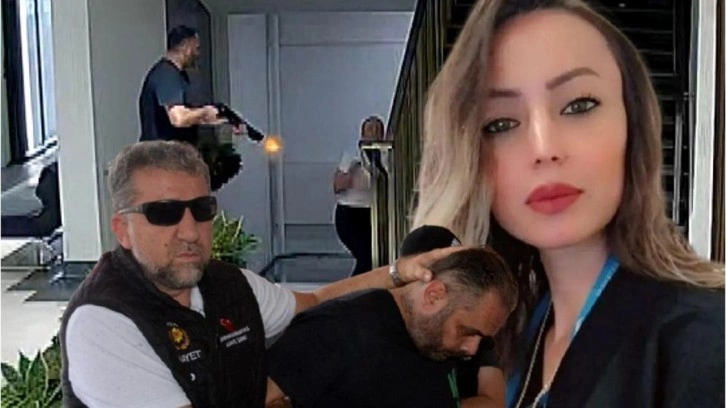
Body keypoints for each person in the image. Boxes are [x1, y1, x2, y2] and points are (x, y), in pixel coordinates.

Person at [412, 0, 725, 407]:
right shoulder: (507, 331)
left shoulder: (703, 337)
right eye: (501, 123)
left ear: (633, 126)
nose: (544, 148)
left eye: (579, 105)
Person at [59, 140, 456, 408]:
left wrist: (400, 271)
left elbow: (317, 302)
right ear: (122, 229)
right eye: (164, 213)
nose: (190, 231)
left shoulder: (227, 284)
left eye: (202, 210)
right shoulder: (103, 321)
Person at [265, 247, 517, 408]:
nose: (471, 349)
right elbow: (260, 397)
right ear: (434, 295)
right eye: (467, 331)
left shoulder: (434, 341)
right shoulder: (336, 330)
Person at [138, 25, 219, 143]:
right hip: (161, 152)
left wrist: (225, 118)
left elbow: (190, 116)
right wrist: (205, 112)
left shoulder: (178, 75)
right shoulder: (166, 74)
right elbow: (178, 118)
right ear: (185, 47)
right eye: (196, 48)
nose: (198, 54)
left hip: (172, 151)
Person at [332, 116, 385, 276]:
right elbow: (337, 186)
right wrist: (350, 174)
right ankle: (354, 289)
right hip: (350, 213)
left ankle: (365, 287)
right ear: (362, 134)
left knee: (373, 257)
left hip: (370, 213)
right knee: (366, 257)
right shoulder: (352, 155)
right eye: (370, 130)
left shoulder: (385, 155)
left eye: (377, 130)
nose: (374, 134)